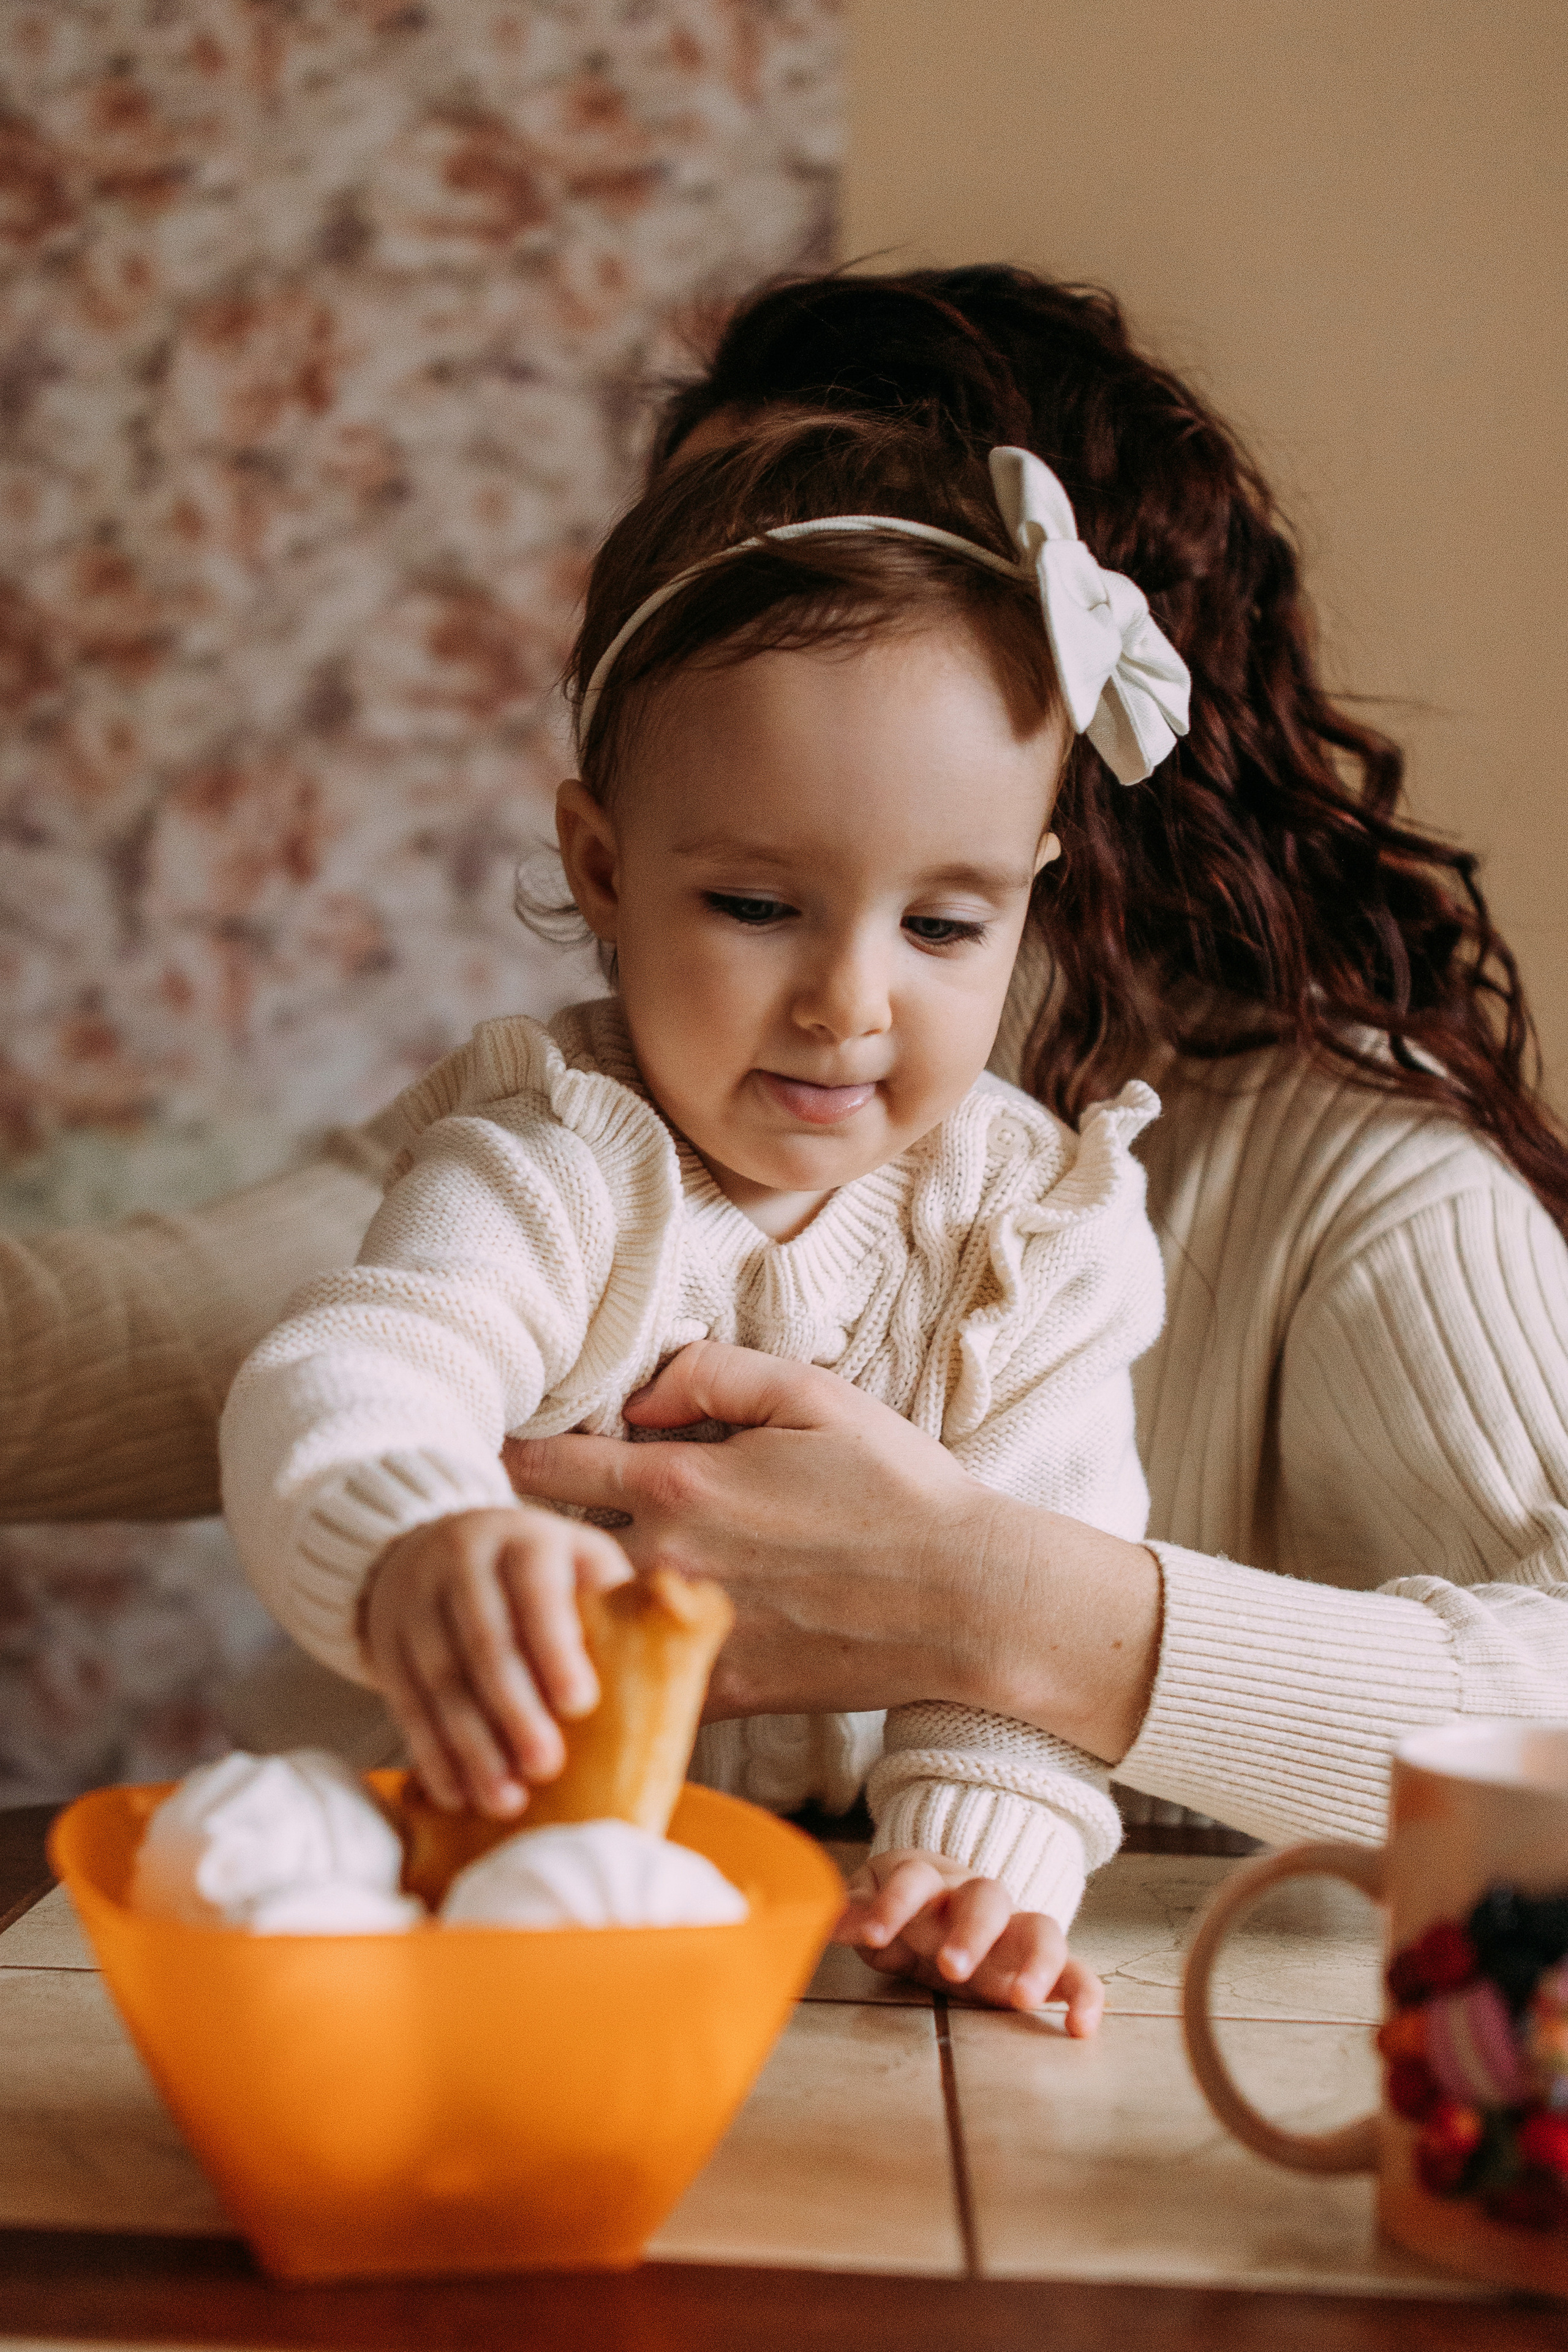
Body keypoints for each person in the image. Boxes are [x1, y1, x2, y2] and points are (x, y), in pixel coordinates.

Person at [7, 265, 1568, 1857]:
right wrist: (416, 1535)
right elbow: (240, 1350)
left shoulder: (1312, 1183)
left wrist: (996, 1605)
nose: (842, 994)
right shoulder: (575, 1134)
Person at [219, 412, 1191, 2026]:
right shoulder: (560, 1164)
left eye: (945, 922)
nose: (848, 1002)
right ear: (601, 867)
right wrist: (412, 1542)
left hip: (811, 1954)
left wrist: (976, 1866)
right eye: (755, 906)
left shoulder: (1043, 1238)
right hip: (462, 1893)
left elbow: (1033, 1600)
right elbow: (355, 1366)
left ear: (1031, 892)